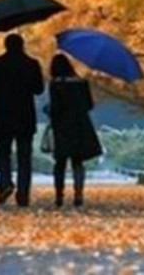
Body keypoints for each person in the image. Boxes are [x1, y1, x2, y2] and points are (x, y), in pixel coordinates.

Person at [0, 33, 44, 206]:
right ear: (22, 45)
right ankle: (23, 192)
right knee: (25, 156)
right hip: (25, 116)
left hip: (2, 116)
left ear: (6, 45)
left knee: (3, 153)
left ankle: (5, 184)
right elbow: (39, 89)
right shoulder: (32, 64)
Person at [46, 54, 102, 207]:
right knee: (78, 161)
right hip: (80, 125)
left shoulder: (55, 84)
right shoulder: (81, 83)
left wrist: (49, 110)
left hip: (61, 126)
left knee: (60, 162)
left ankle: (59, 194)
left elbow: (55, 108)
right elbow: (89, 105)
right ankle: (78, 193)